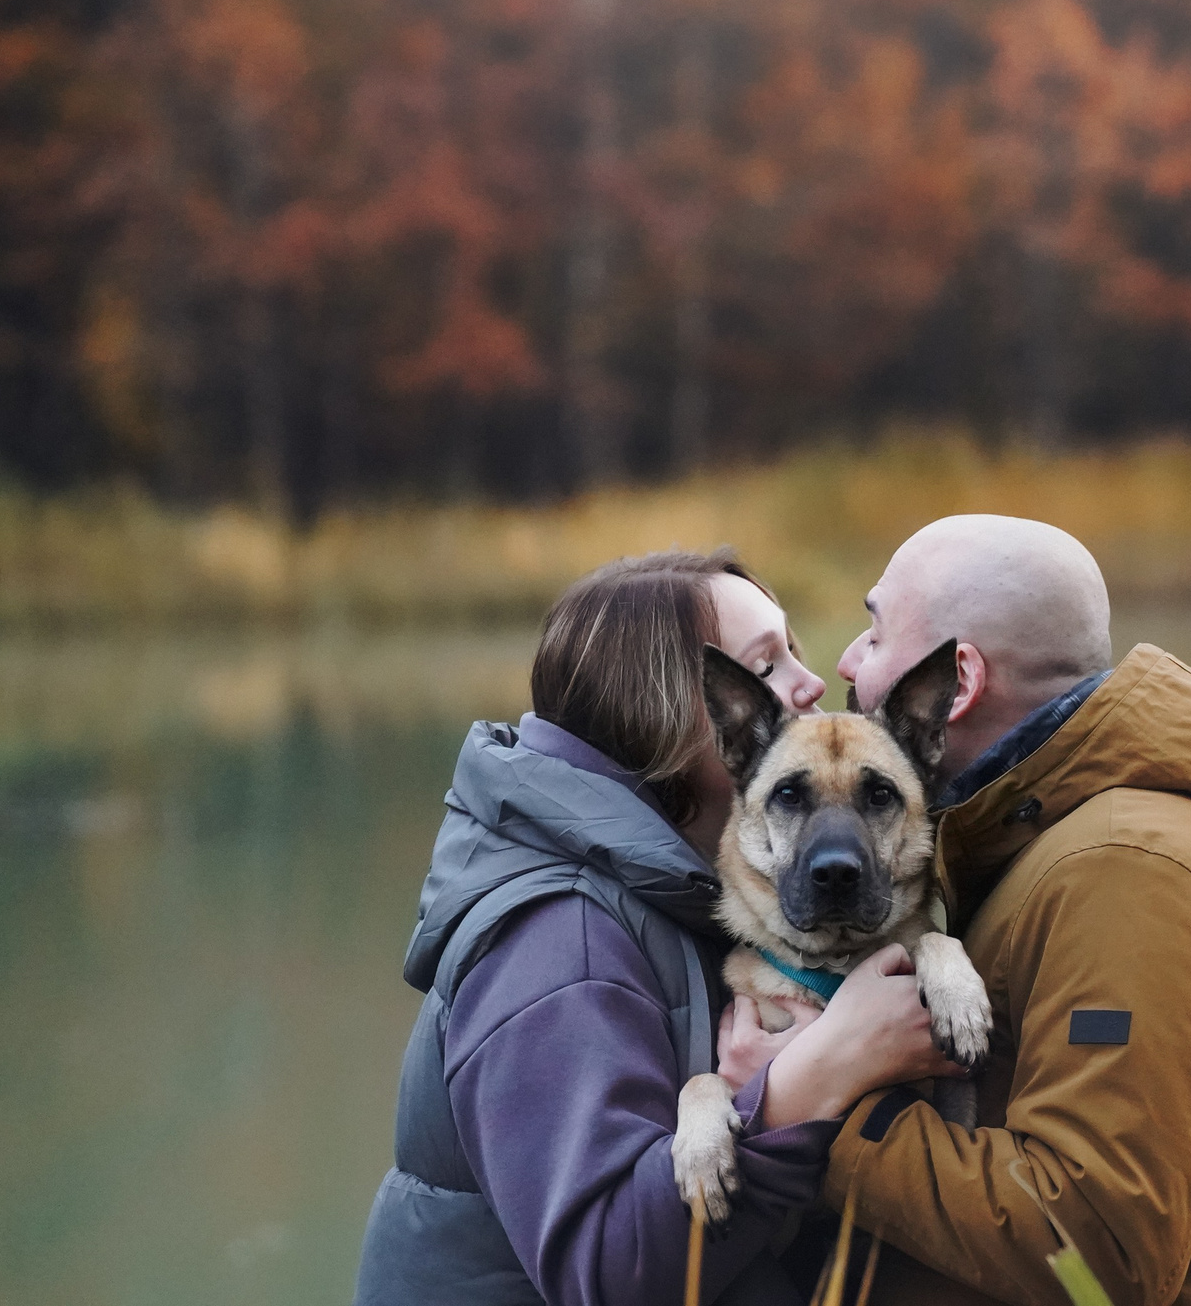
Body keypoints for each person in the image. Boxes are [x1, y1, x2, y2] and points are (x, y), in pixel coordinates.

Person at [353, 550, 960, 1306]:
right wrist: (800, 1088)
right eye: (765, 666)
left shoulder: (684, 888)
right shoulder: (562, 937)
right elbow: (611, 1270)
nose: (810, 686)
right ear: (677, 709)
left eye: (794, 651)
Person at [810, 515, 1191, 1305]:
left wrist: (824, 1116)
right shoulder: (1029, 841)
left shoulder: (1130, 868)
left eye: (876, 633)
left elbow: (1095, 1254)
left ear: (960, 681)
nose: (846, 662)